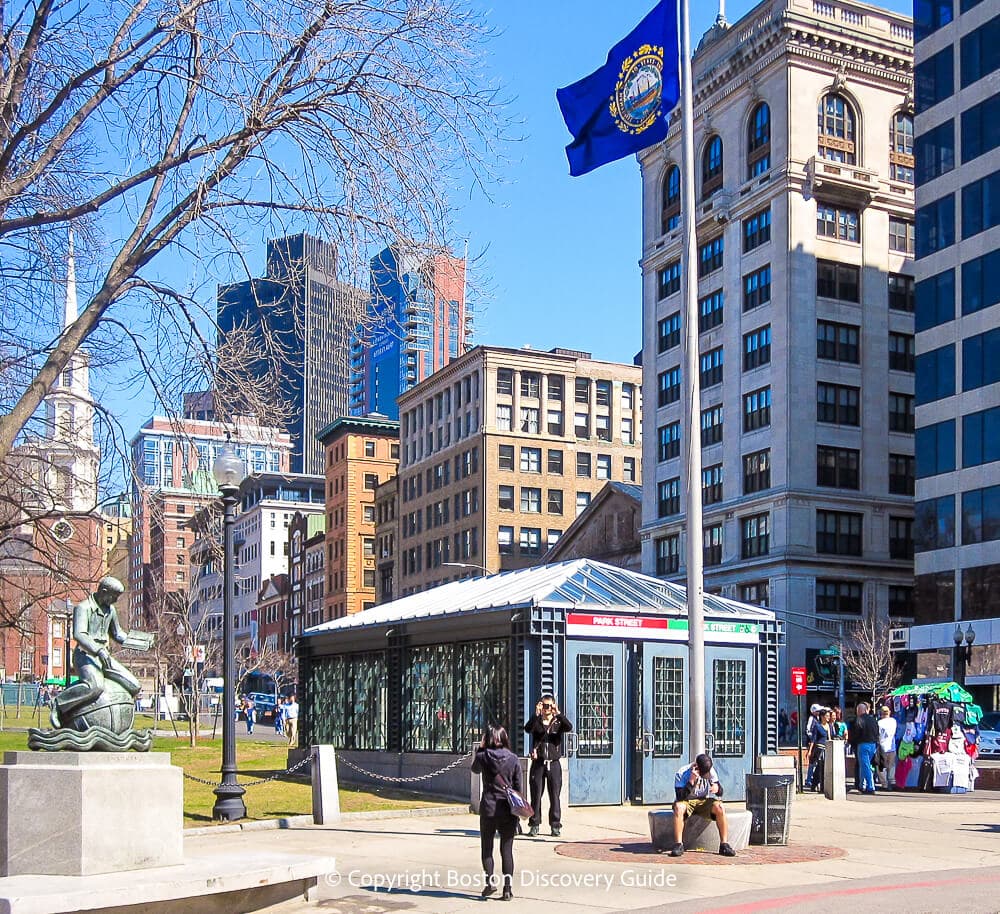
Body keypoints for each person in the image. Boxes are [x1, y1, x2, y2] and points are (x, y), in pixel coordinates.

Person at [50, 577, 144, 729]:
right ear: (103, 591)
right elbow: (79, 634)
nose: (114, 600)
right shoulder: (83, 608)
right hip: (85, 656)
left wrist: (141, 642)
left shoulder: (110, 610)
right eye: (114, 596)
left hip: (103, 657)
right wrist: (98, 650)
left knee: (134, 685)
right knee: (95, 686)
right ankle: (58, 703)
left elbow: (118, 634)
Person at [471, 725, 521, 901]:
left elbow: (474, 769)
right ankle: (507, 890)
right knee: (506, 850)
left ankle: (490, 882)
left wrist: (481, 747)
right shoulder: (514, 759)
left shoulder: (483, 757)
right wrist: (518, 813)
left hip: (489, 808)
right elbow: (518, 788)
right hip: (508, 809)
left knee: (487, 847)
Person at [523, 694, 573, 837]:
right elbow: (527, 729)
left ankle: (555, 825)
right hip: (538, 763)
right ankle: (534, 824)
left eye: (550, 706)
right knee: (536, 795)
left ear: (554, 706)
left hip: (554, 763)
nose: (547, 709)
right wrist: (536, 714)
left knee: (555, 796)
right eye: (545, 706)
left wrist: (558, 713)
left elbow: (569, 727)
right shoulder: (537, 721)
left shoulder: (558, 722)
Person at [669, 753, 736, 857]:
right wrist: (691, 781)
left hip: (703, 801)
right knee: (678, 807)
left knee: (720, 807)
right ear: (696, 767)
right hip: (687, 801)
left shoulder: (711, 772)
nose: (706, 775)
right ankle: (678, 844)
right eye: (703, 773)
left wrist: (717, 789)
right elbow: (680, 797)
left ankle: (724, 844)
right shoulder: (682, 773)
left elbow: (720, 791)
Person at [850, 702, 880, 794]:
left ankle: (870, 787)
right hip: (873, 744)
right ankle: (862, 785)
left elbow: (855, 734)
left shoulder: (858, 720)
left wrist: (853, 744)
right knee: (865, 765)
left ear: (859, 711)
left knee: (865, 766)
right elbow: (877, 732)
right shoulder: (873, 720)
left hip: (863, 744)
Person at [808, 710, 832, 793]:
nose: (828, 717)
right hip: (819, 749)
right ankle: (815, 784)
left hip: (827, 749)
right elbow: (813, 739)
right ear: (822, 717)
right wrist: (810, 751)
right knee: (819, 768)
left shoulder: (829, 726)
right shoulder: (817, 726)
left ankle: (822, 786)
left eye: (829, 716)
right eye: (827, 716)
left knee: (825, 768)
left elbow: (830, 738)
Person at [877, 705, 898, 790]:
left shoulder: (879, 723)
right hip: (892, 746)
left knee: (881, 766)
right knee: (891, 765)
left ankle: (884, 784)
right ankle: (892, 782)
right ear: (889, 712)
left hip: (882, 747)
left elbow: (878, 735)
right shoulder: (893, 721)